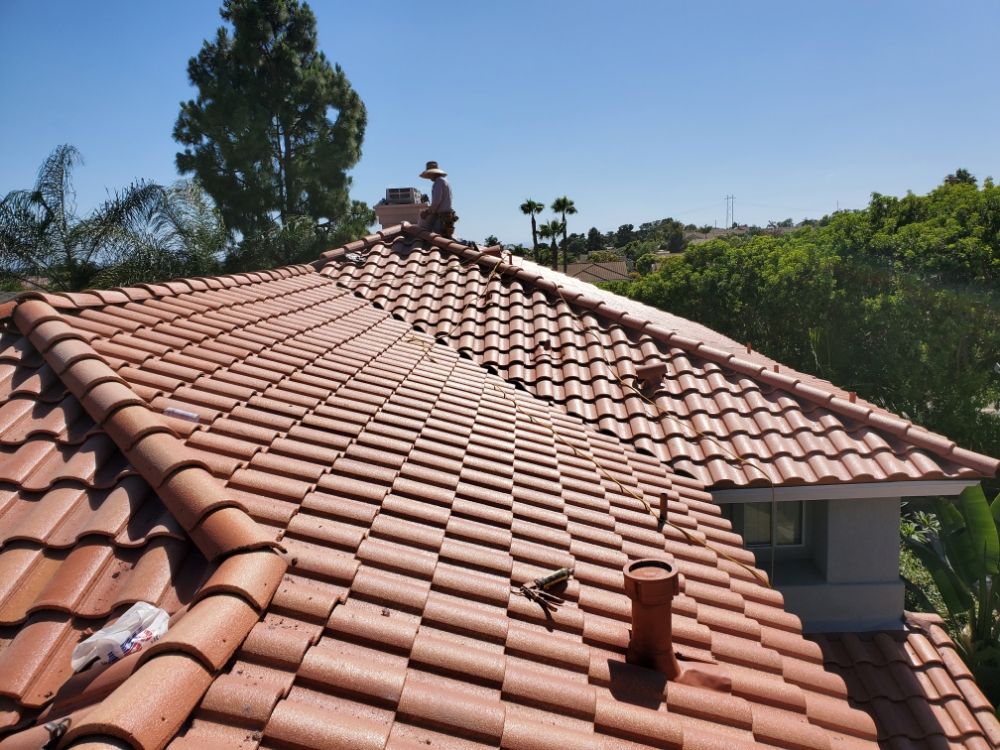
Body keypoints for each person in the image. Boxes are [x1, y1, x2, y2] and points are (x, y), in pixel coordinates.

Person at [418, 161, 457, 237]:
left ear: (433, 173)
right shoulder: (445, 181)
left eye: (429, 174)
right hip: (447, 215)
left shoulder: (438, 182)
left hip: (442, 217)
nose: (429, 177)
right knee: (445, 239)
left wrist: (427, 212)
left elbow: (436, 201)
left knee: (438, 238)